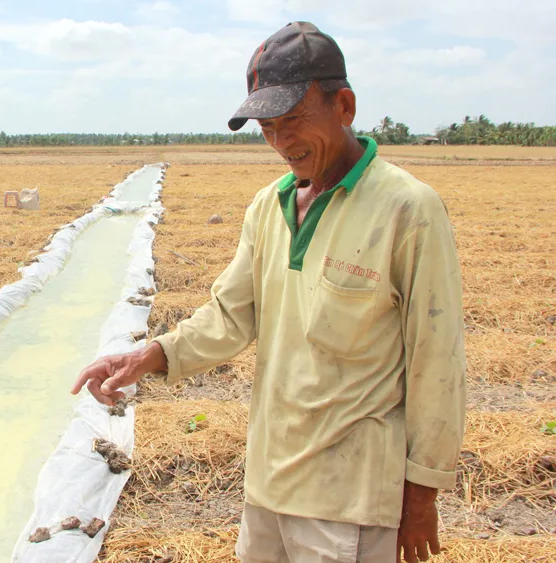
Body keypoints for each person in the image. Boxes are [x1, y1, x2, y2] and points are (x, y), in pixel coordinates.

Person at [71, 21, 466, 563]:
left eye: (294, 120)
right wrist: (148, 356)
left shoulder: (407, 211)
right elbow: (231, 316)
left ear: (344, 106)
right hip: (268, 484)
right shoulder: (268, 207)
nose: (280, 142)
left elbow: (436, 361)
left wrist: (422, 492)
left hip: (347, 498)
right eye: (267, 126)